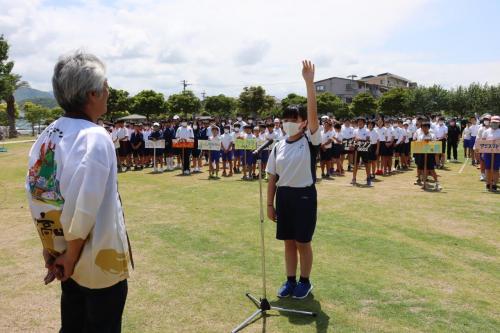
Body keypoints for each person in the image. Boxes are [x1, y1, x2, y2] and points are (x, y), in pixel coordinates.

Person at [26, 51, 132, 332]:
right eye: (106, 85)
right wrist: (70, 257)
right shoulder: (94, 136)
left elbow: (39, 195)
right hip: (94, 259)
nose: (109, 91)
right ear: (92, 93)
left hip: (64, 256)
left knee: (73, 324)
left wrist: (52, 250)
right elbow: (85, 207)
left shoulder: (48, 133)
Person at [266, 60, 320, 300]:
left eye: (294, 118)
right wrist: (270, 204)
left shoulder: (310, 140)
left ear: (303, 122)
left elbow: (313, 115)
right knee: (288, 242)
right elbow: (272, 178)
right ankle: (290, 281)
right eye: (285, 119)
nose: (289, 123)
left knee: (302, 242)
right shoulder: (278, 146)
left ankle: (304, 282)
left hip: (304, 196)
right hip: (285, 197)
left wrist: (309, 83)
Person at [414, 121, 441, 190]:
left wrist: (435, 153)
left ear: (428, 128)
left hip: (430, 155)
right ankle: (424, 184)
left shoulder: (432, 135)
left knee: (431, 170)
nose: (424, 129)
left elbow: (436, 146)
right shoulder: (420, 136)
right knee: (423, 169)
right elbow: (418, 145)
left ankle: (437, 183)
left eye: (426, 127)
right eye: (423, 127)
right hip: (422, 154)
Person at [481, 115, 499, 191]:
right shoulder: (486, 131)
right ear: (490, 122)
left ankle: (494, 184)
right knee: (487, 168)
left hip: (498, 153)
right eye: (493, 122)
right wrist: (482, 152)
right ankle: (488, 183)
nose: (495, 124)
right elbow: (482, 142)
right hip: (487, 153)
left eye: (496, 122)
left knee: (496, 169)